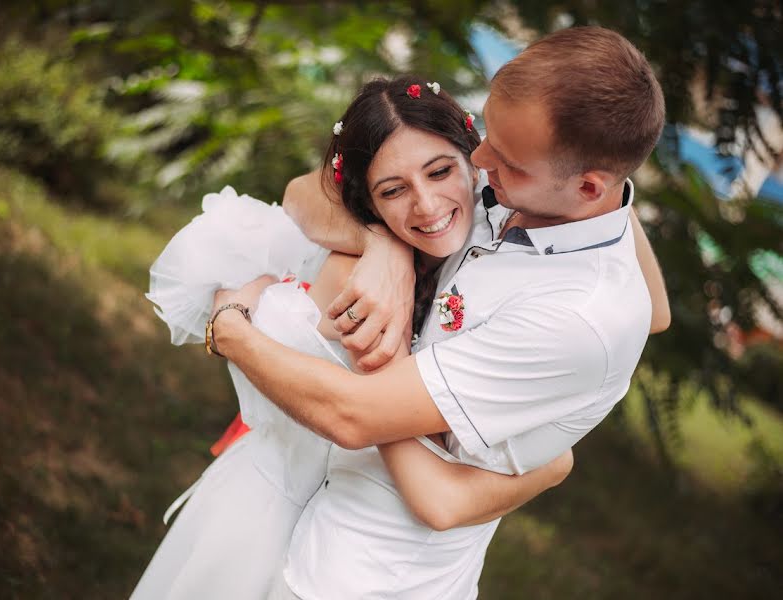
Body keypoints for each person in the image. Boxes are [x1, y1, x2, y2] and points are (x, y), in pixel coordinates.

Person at [209, 26, 669, 599]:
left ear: (589, 186)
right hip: (310, 519)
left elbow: (362, 426)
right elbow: (308, 192)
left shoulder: (577, 317)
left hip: (366, 580)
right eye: (488, 133)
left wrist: (229, 328)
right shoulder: (523, 193)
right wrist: (387, 248)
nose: (479, 159)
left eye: (508, 158)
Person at [131, 77, 581, 600]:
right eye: (392, 190)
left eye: (441, 172)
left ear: (474, 160)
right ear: (364, 198)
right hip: (266, 511)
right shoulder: (358, 278)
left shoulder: (495, 253)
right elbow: (298, 194)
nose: (427, 204)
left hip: (373, 551)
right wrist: (382, 245)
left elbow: (649, 311)